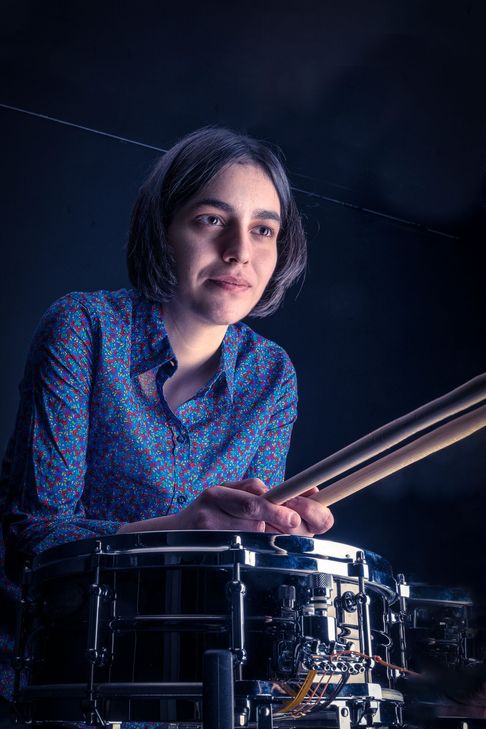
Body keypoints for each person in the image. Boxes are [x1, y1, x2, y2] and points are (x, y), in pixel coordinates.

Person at [0, 127, 334, 708]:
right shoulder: (83, 329)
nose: (239, 251)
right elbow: (34, 540)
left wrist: (276, 536)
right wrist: (178, 530)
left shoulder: (273, 374)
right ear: (162, 230)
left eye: (263, 229)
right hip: (55, 681)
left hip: (185, 687)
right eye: (211, 219)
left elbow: (239, 560)